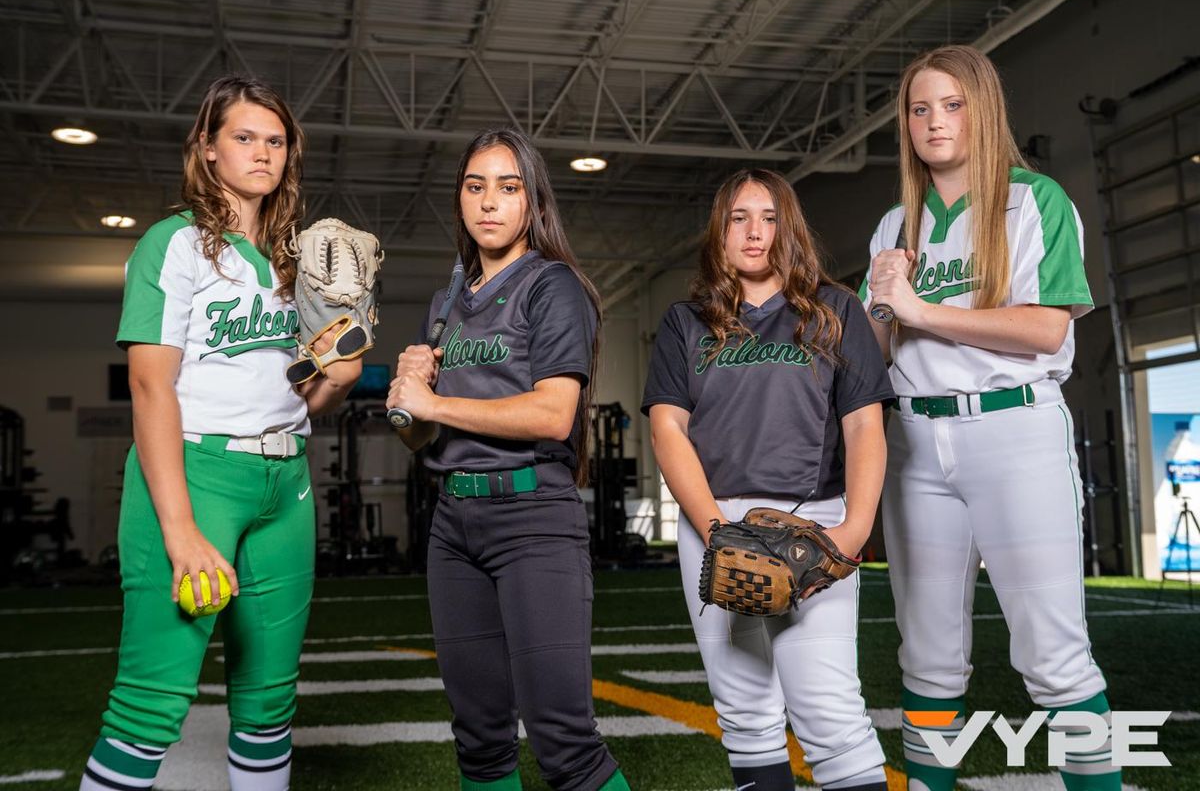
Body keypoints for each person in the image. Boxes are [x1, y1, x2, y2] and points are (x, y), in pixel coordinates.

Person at [81, 75, 360, 791]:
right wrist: (179, 531)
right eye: (244, 137)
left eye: (275, 141)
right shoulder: (172, 245)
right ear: (209, 150)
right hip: (195, 477)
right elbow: (150, 387)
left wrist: (341, 373)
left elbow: (302, 394)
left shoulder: (294, 261)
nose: (262, 153)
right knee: (150, 702)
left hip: (285, 484)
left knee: (269, 703)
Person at [860, 44, 1119, 791]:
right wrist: (880, 306)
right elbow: (875, 354)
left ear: (983, 108)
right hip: (914, 441)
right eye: (919, 108)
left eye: (952, 104)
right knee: (927, 654)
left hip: (1015, 434)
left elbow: (1047, 331)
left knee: (1053, 655)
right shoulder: (892, 225)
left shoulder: (1036, 199)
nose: (934, 121)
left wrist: (919, 309)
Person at [386, 127, 629, 791]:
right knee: (480, 739)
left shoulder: (554, 287)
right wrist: (408, 399)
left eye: (508, 186)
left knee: (564, 743)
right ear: (459, 199)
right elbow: (420, 439)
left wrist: (434, 407)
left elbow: (554, 414)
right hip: (453, 525)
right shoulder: (447, 303)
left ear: (532, 201)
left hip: (533, 519)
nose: (489, 201)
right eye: (474, 186)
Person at [643, 168, 893, 791]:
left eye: (770, 218)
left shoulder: (837, 310)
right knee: (746, 715)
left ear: (790, 230)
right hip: (714, 526)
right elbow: (668, 429)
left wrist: (852, 531)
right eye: (738, 219)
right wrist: (718, 531)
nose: (755, 233)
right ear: (720, 232)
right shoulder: (685, 321)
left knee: (830, 716)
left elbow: (865, 427)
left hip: (814, 528)